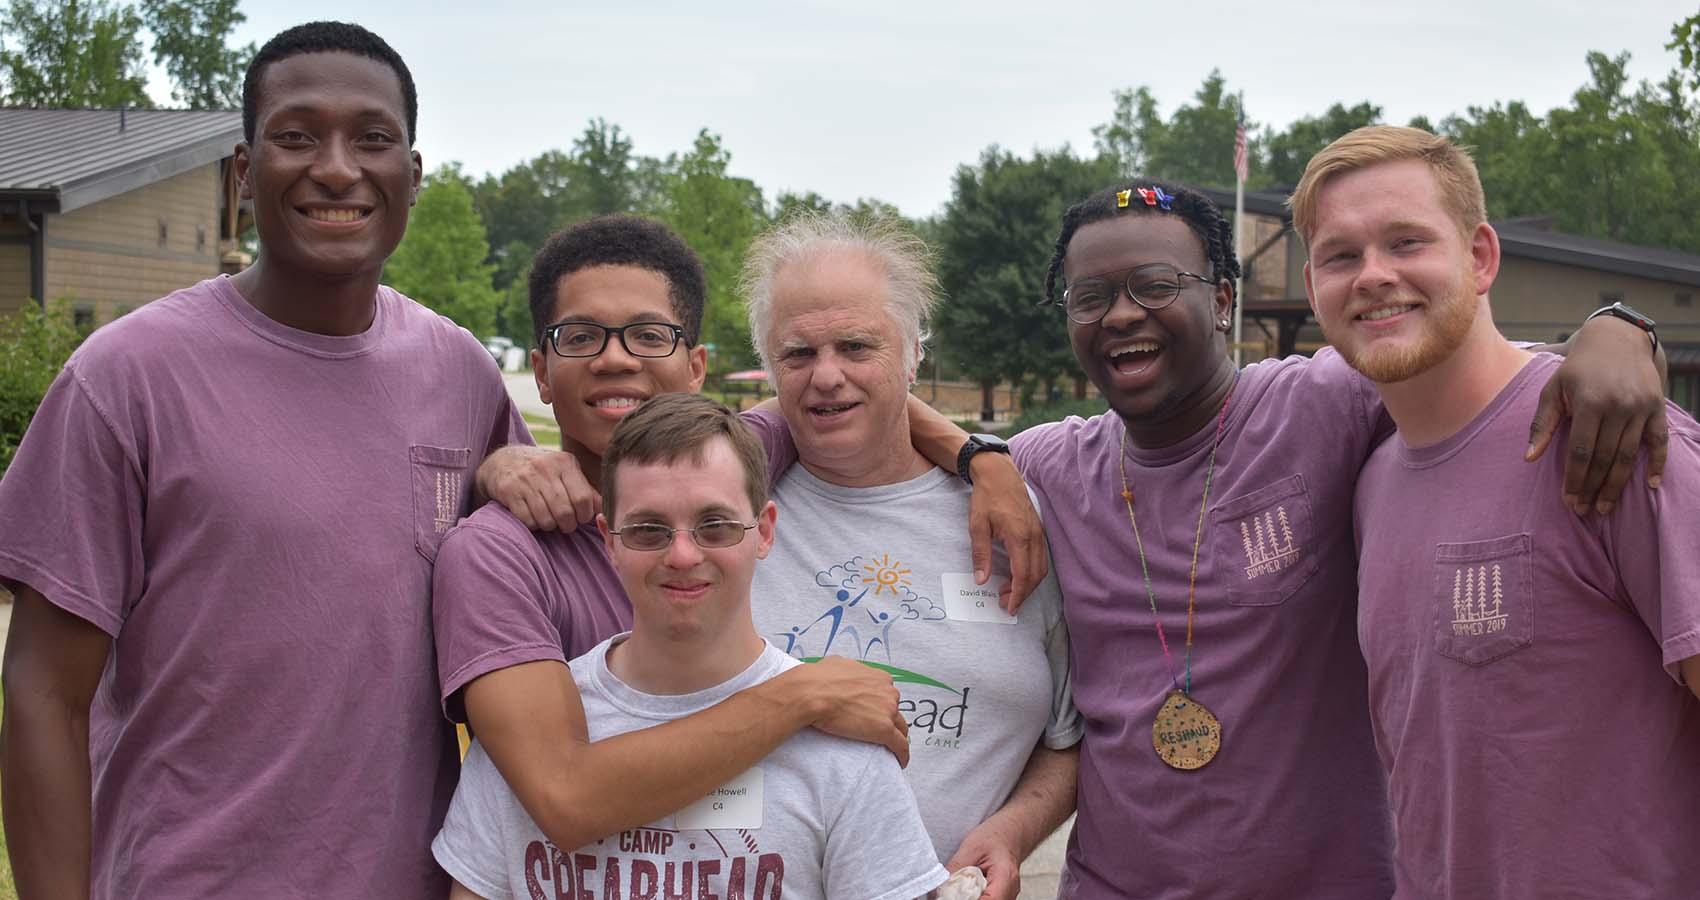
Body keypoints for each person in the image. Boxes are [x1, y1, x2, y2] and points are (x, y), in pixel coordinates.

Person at [892, 176, 1669, 898]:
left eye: (1156, 286)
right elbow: (864, 417)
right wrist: (980, 457)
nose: (1121, 313)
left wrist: (1619, 328)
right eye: (1088, 297)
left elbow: (1482, 369)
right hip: (1112, 881)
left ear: (1224, 299)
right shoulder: (1048, 467)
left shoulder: (1323, 403)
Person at [0, 21, 530, 899]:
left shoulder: (462, 375)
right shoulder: (126, 378)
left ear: (413, 175)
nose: (335, 167)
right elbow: (42, 696)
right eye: (295, 135)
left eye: (372, 139)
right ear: (243, 175)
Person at [434, 213, 1040, 854]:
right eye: (581, 337)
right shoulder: (495, 556)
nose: (615, 358)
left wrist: (981, 458)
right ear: (542, 372)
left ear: (695, 366)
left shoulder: (732, 461)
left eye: (648, 335)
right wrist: (803, 693)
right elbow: (566, 798)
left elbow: (843, 387)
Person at [1293, 124, 1700, 899]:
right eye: (1341, 256)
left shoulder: (1613, 437)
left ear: (1480, 257)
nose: (1374, 275)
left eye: (1407, 242)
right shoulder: (1372, 485)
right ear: (1314, 288)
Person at [434, 392, 951, 900]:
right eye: (648, 530)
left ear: (765, 531)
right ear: (609, 541)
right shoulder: (533, 739)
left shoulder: (843, 748)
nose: (682, 554)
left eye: (715, 526)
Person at [739, 212, 1080, 900]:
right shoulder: (723, 520)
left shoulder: (1020, 524)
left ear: (914, 354)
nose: (826, 376)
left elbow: (1069, 736)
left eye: (857, 346)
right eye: (797, 354)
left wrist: (1014, 830)